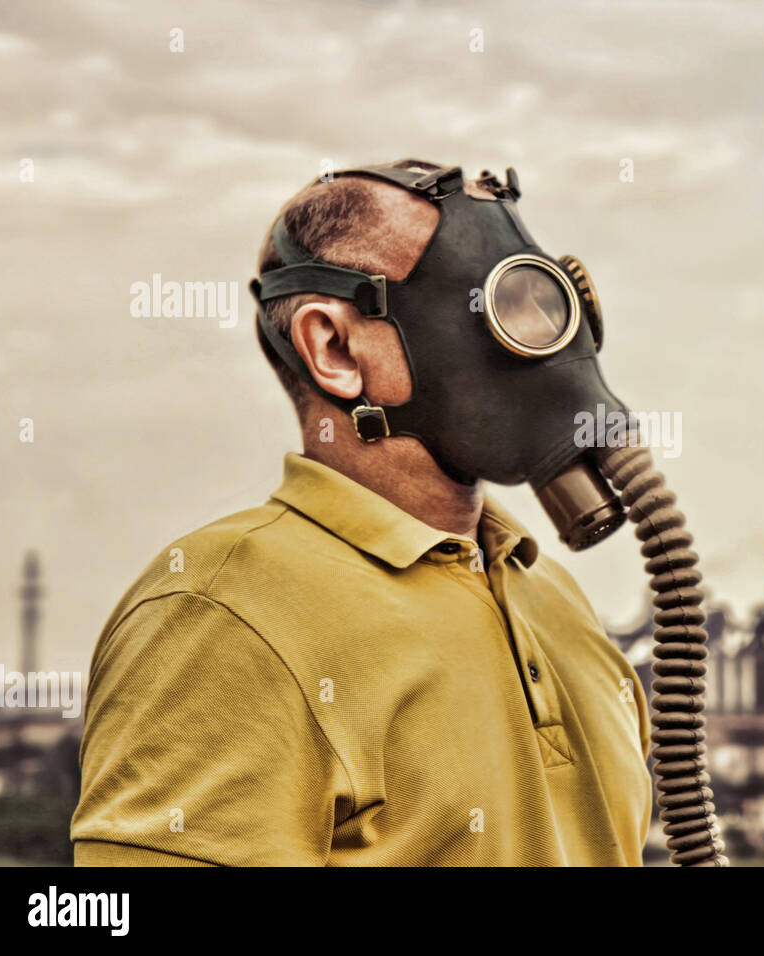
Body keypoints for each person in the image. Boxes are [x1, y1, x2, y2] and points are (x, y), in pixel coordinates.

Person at [70, 159, 654, 866]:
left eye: (545, 301)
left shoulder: (554, 598)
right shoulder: (218, 613)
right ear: (335, 348)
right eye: (496, 308)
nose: (543, 339)